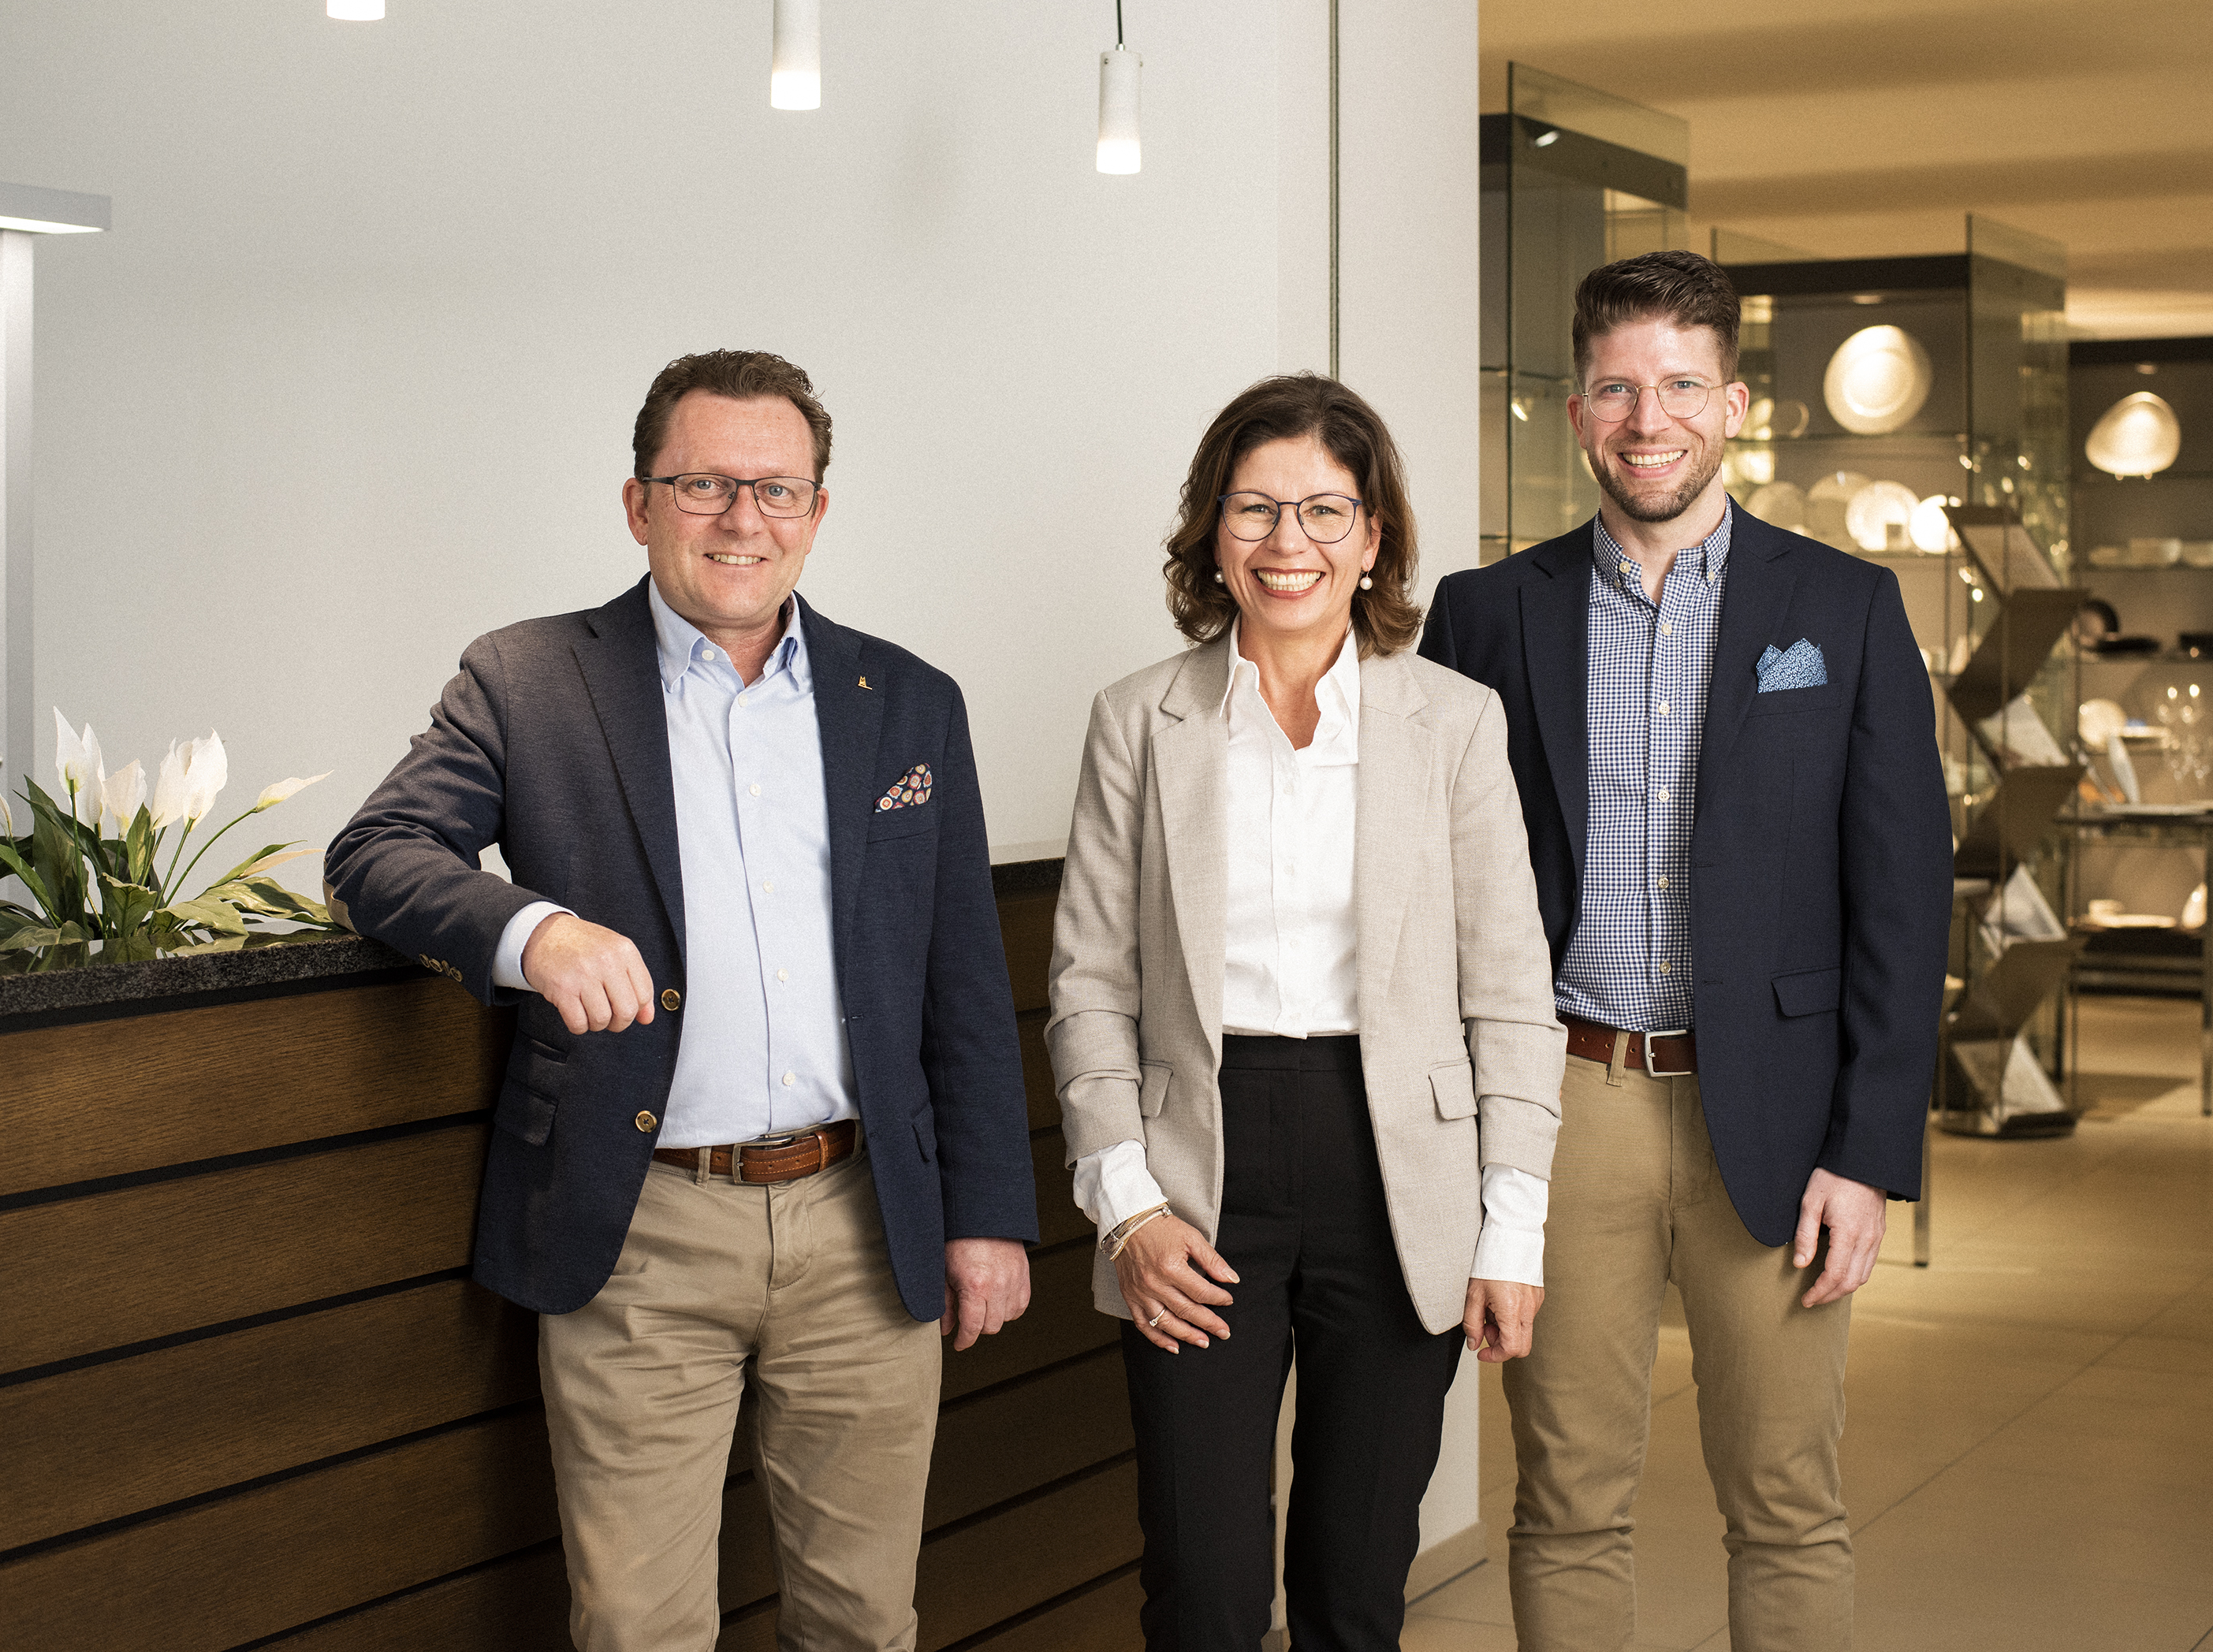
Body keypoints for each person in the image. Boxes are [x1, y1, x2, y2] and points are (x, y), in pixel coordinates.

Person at [325, 348, 1038, 1651]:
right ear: (638, 502)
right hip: (638, 1226)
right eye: (702, 482)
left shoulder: (910, 704)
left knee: (863, 1620)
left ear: (818, 510)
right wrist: (528, 932)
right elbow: (375, 855)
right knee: (639, 1628)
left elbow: (962, 983)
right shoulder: (530, 678)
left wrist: (989, 1213)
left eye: (774, 489)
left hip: (863, 1227)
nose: (740, 518)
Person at [1419, 251, 1953, 1651]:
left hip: (1772, 1116)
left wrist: (1869, 1147)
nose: (1644, 418)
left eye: (1675, 385)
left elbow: (1902, 898)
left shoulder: (1843, 610)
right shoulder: (1485, 617)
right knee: (1566, 1496)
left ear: (1728, 401)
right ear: (1576, 406)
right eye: (1614, 387)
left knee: (1785, 1497)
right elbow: (1440, 887)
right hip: (1562, 1103)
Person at [1047, 373, 1568, 1651]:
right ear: (1211, 531)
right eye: (1257, 509)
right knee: (1205, 1589)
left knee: (1353, 1589)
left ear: (1374, 534)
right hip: (1193, 1174)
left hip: (1398, 1172)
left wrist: (1511, 1228)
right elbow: (1087, 986)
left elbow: (1506, 989)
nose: (1291, 545)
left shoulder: (1453, 721)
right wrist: (1127, 1208)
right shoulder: (1138, 718)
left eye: (1326, 511)